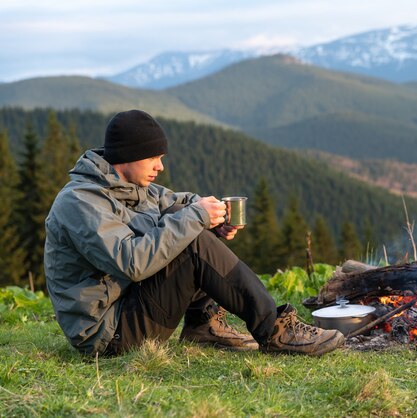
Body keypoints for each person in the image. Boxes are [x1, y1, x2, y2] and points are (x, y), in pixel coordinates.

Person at [44, 109, 345, 356]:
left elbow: (183, 203)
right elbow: (131, 262)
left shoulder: (135, 189)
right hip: (109, 335)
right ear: (128, 156)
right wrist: (196, 218)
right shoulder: (80, 202)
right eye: (153, 158)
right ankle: (275, 329)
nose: (160, 167)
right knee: (191, 237)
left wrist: (213, 219)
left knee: (189, 223)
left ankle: (203, 325)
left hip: (129, 306)